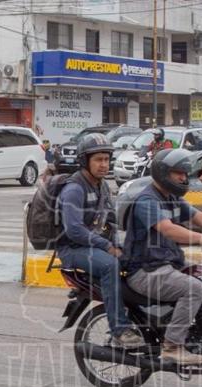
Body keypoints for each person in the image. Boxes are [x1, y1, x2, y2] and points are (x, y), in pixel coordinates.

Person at [124, 149, 202, 365]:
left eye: (184, 173)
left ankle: (197, 334)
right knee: (193, 288)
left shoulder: (170, 198)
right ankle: (172, 347)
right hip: (146, 271)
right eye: (178, 173)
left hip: (167, 264)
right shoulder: (147, 201)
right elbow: (167, 229)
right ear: (163, 173)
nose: (183, 178)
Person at [57, 133, 143, 348]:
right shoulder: (74, 189)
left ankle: (142, 317)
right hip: (73, 248)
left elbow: (111, 221)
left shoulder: (102, 186)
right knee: (109, 265)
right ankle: (119, 330)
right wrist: (107, 246)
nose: (104, 164)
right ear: (85, 161)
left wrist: (126, 244)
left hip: (93, 244)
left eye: (106, 159)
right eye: (98, 160)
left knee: (140, 257)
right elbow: (74, 229)